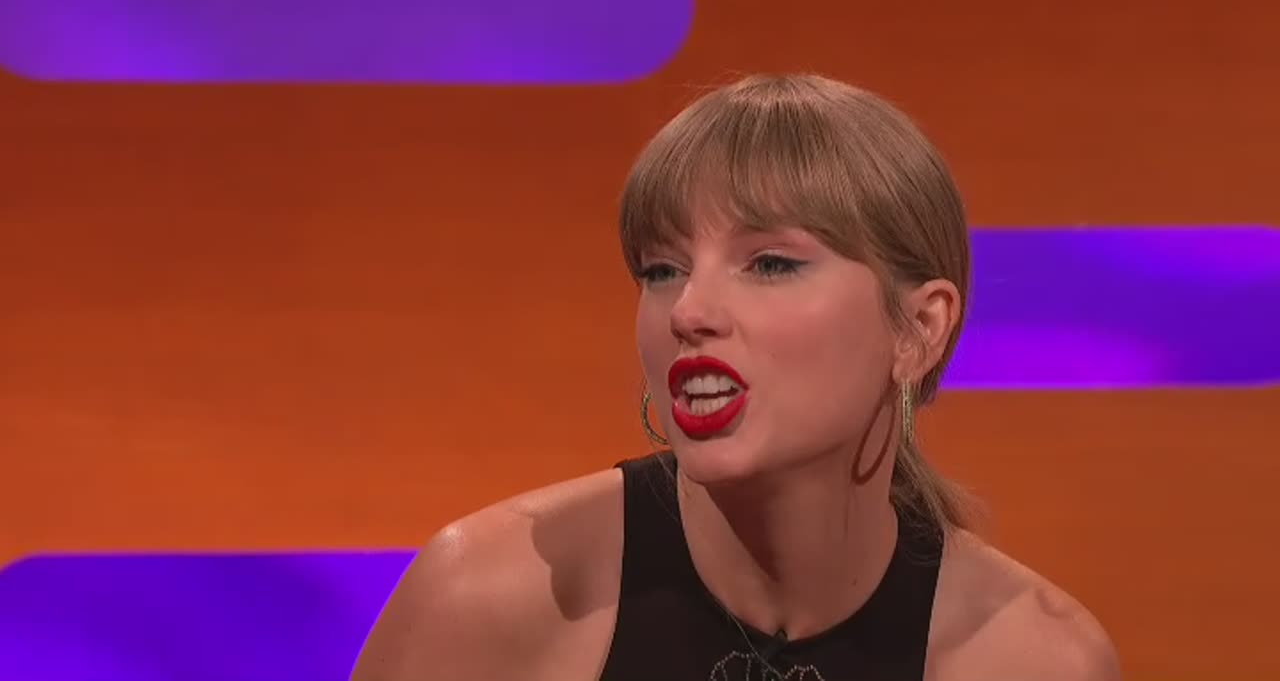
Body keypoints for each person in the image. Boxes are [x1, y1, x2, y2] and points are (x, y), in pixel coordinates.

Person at [349, 73, 1122, 681]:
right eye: (662, 269)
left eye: (771, 263)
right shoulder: (488, 598)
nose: (689, 311)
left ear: (918, 329)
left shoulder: (1033, 659)